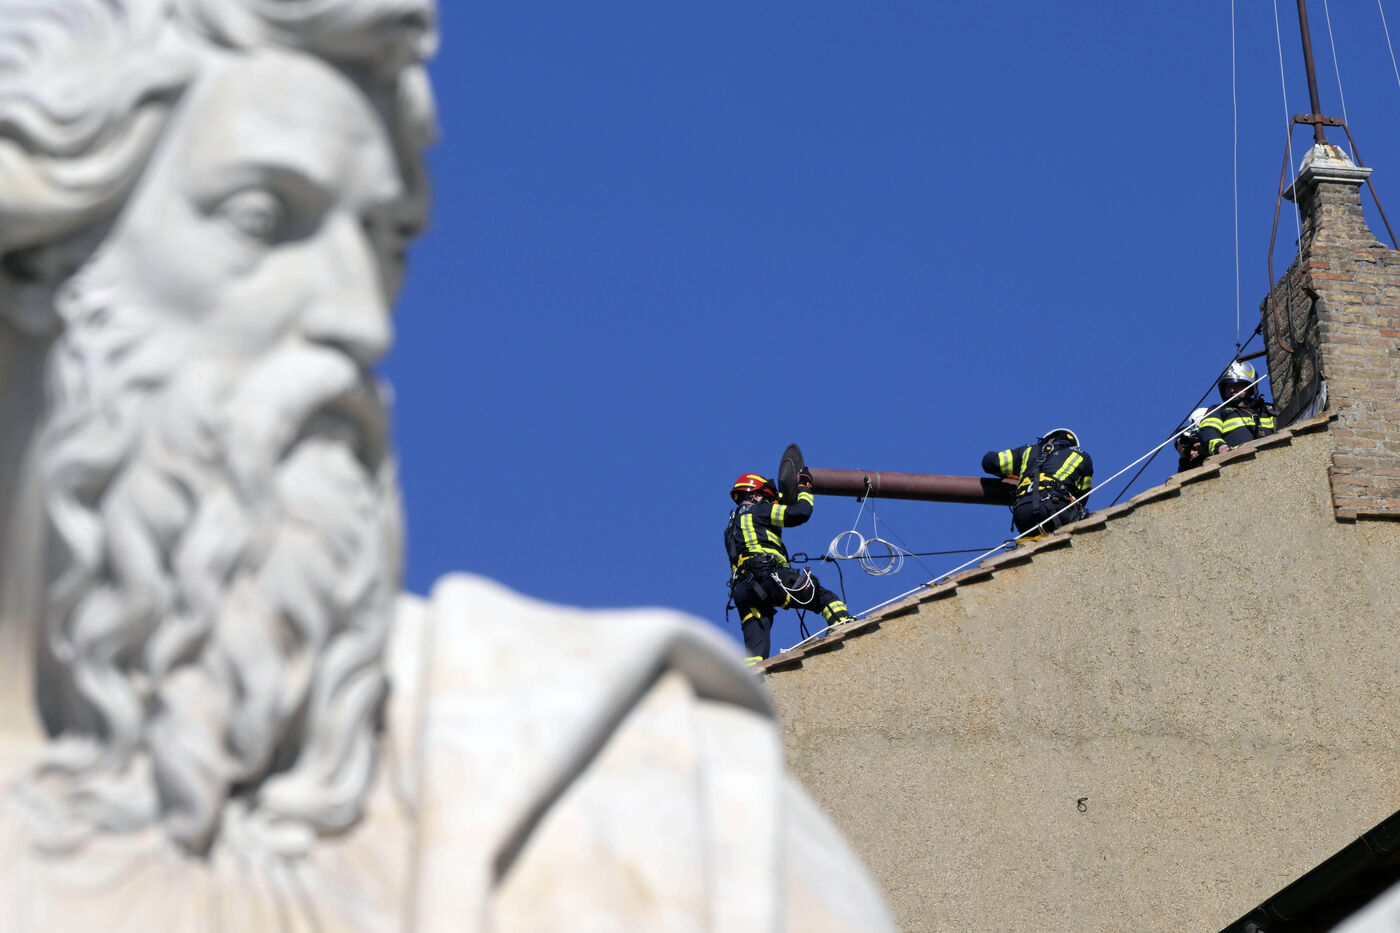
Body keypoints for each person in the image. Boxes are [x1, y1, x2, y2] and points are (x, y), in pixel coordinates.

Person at [0, 2, 895, 930]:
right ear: (31, 257)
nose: (363, 318)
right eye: (262, 217)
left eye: (383, 242)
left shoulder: (655, 812)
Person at [726, 471, 856, 664]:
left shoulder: (731, 528)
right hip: (768, 576)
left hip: (743, 591)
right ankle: (846, 627)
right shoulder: (759, 511)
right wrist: (804, 486)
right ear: (755, 495)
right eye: (767, 498)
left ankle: (751, 677)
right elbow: (801, 512)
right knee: (824, 597)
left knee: (755, 649)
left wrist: (780, 497)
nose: (770, 503)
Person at [982, 428, 1094, 535]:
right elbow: (1082, 496)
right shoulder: (1082, 456)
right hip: (1057, 508)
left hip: (1022, 511)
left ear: (1050, 439)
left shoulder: (1027, 450)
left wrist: (1010, 475)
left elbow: (990, 462)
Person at [1198, 360, 1277, 456]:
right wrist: (1220, 446)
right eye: (1228, 386)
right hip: (1239, 459)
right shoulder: (1218, 410)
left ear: (1250, 386)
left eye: (1237, 385)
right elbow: (1207, 431)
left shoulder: (1268, 409)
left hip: (1273, 456)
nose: (1231, 390)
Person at [1175, 407, 1210, 472]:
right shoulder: (1186, 465)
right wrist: (1184, 457)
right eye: (1188, 452)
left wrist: (1204, 448)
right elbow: (1182, 474)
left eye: (1194, 449)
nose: (1192, 453)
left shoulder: (1207, 446)